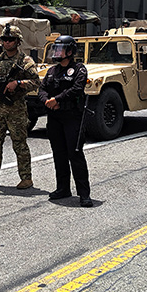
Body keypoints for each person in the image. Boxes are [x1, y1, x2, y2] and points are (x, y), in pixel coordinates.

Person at [0, 24, 39, 190]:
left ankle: (26, 178)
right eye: (4, 39)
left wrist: (18, 83)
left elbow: (36, 82)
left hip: (16, 109)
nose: (6, 42)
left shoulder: (25, 61)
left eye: (10, 39)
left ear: (17, 41)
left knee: (19, 144)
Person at [38, 35, 92, 207]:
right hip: (54, 118)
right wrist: (47, 100)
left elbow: (77, 89)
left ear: (70, 51)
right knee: (58, 154)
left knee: (75, 155)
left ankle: (84, 194)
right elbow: (42, 89)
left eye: (61, 49)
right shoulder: (52, 71)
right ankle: (63, 188)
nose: (57, 52)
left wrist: (58, 100)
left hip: (72, 118)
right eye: (56, 49)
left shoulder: (79, 69)